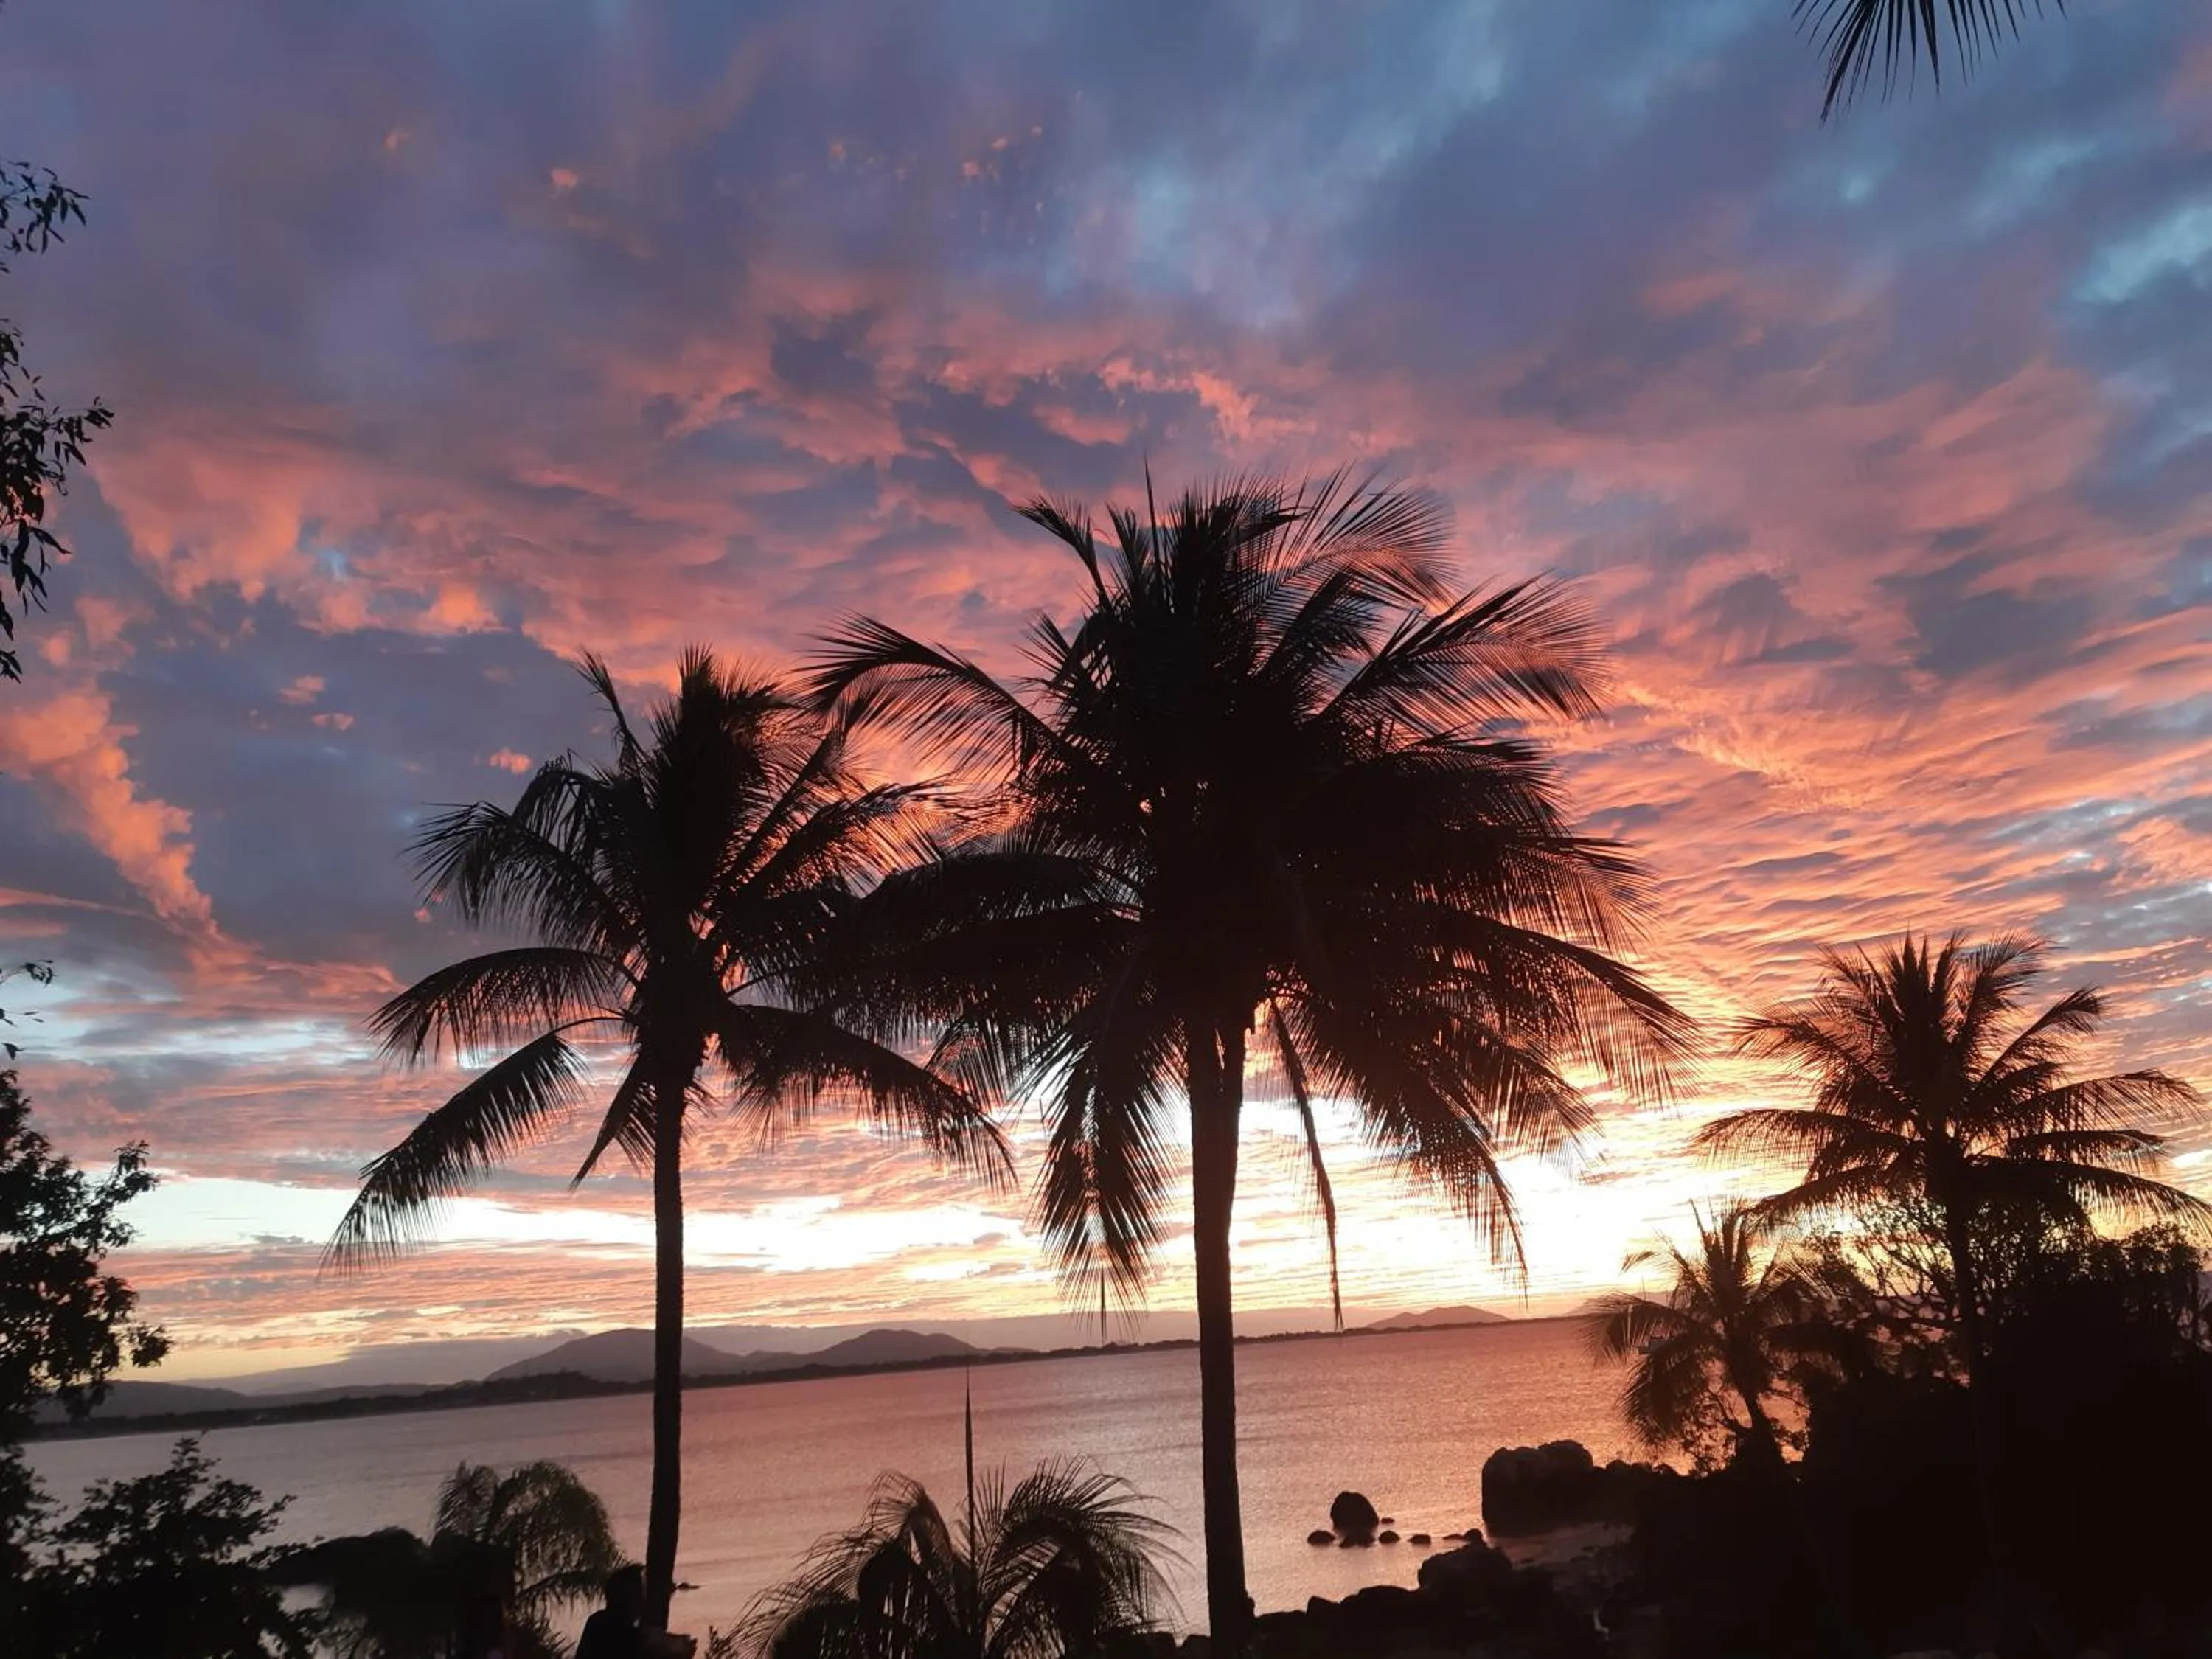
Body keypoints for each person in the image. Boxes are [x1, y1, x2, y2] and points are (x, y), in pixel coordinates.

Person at [577, 1566, 695, 1659]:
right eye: (640, 1593)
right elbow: (645, 1639)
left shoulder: (598, 1622)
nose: (644, 1600)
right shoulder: (615, 1631)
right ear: (628, 1598)